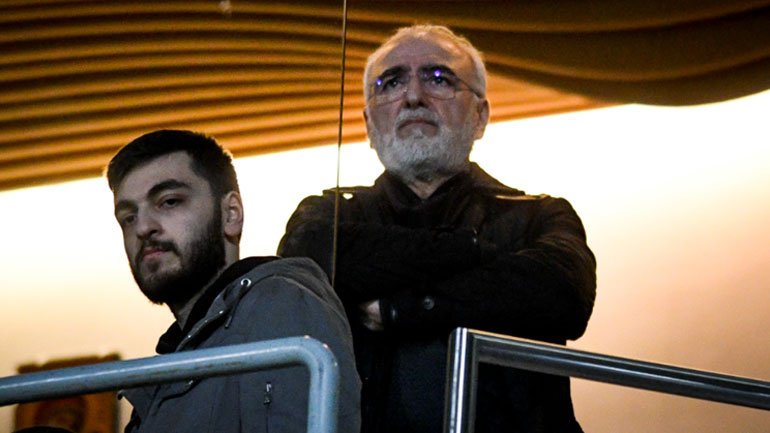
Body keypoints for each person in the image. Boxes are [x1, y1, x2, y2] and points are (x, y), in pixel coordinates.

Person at [278, 25, 596, 433]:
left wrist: (400, 310)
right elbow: (301, 270)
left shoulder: (539, 215)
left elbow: (563, 294)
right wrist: (472, 251)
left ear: (480, 116)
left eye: (439, 79)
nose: (413, 96)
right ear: (369, 124)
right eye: (391, 83)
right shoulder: (327, 217)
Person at [106, 130, 360, 433]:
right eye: (128, 217)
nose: (143, 227)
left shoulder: (278, 305)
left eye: (169, 201)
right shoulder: (171, 366)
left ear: (231, 214)